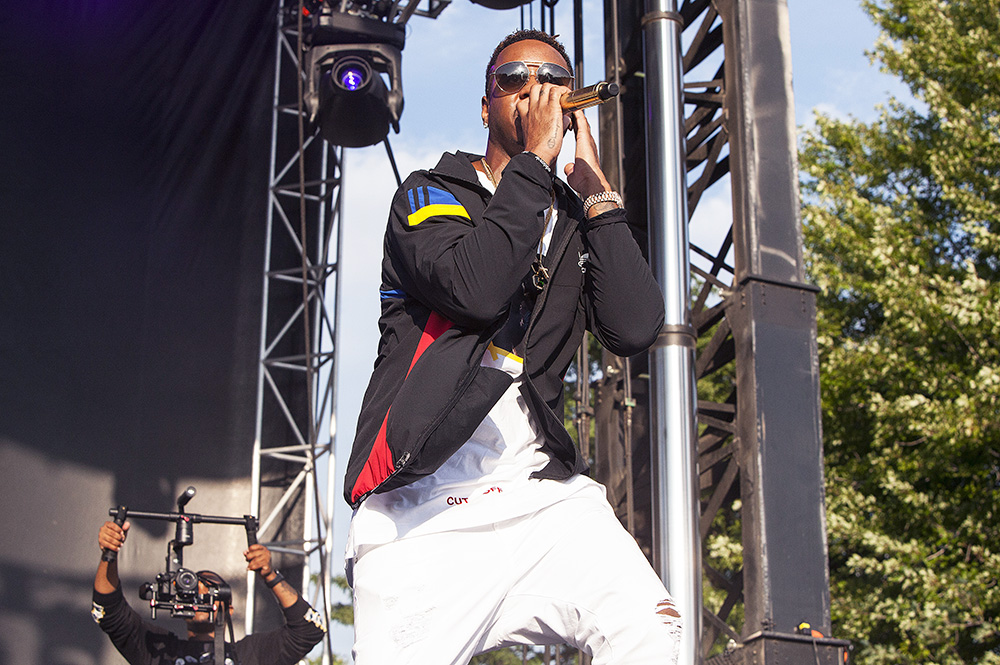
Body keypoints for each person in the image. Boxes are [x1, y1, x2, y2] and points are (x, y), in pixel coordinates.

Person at [343, 28, 681, 665]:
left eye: (552, 80)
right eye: (514, 79)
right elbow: (474, 288)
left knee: (650, 629)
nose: (535, 91)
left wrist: (595, 192)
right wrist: (533, 165)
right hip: (422, 507)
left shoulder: (573, 218)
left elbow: (635, 328)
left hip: (541, 500)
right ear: (485, 105)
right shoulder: (428, 193)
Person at [92, 519, 326, 665]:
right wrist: (109, 555)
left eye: (210, 587)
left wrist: (270, 574)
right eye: (193, 587)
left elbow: (311, 629)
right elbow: (108, 613)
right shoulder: (160, 650)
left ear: (229, 607)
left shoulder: (249, 654)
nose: (200, 591)